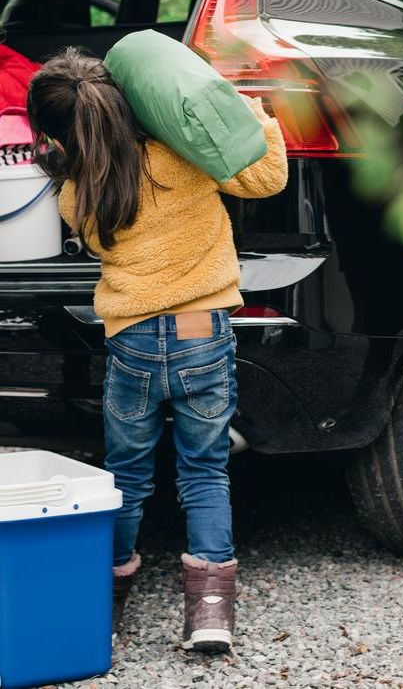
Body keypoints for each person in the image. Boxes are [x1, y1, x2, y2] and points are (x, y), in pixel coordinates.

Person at [27, 46, 288, 650]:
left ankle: (105, 600)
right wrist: (250, 113)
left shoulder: (75, 194)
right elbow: (264, 177)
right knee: (205, 470)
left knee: (126, 475)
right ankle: (211, 612)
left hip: (134, 342)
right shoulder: (180, 159)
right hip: (201, 331)